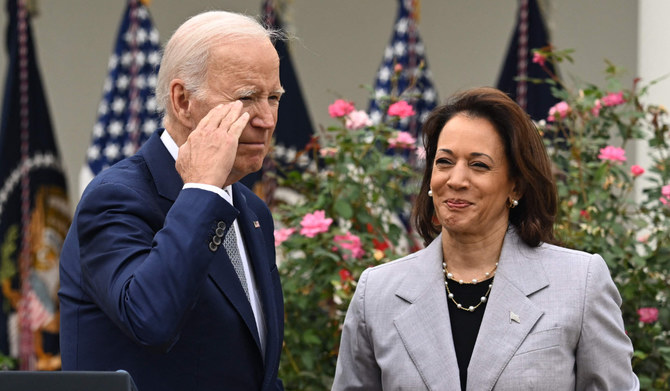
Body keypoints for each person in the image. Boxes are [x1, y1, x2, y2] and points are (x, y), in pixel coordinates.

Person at [332, 87, 639, 390]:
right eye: (444, 162)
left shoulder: (579, 283)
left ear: (516, 186)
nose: (456, 180)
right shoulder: (377, 293)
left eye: (478, 165)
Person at [59, 10, 286, 391]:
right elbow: (150, 319)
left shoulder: (252, 210)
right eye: (247, 97)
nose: (266, 119)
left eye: (274, 97)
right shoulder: (116, 197)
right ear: (182, 101)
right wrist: (201, 191)